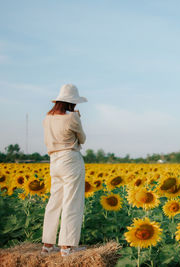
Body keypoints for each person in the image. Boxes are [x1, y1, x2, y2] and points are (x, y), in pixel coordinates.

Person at [41, 84, 87, 257]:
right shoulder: (72, 118)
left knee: (54, 201)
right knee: (72, 202)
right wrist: (78, 119)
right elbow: (82, 138)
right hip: (70, 159)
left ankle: (47, 245)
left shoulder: (47, 118)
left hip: (54, 161)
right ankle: (67, 247)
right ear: (71, 103)